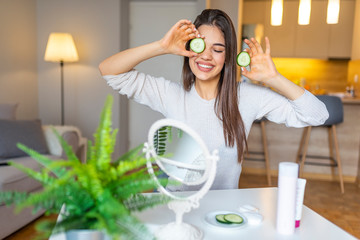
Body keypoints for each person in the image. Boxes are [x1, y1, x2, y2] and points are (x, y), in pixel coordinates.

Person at [99, 9, 328, 190]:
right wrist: (162, 47)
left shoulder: (246, 98)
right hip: (177, 207)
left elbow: (317, 115)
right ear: (189, 48)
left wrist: (273, 78)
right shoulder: (170, 94)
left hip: (222, 209)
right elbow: (109, 70)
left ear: (228, 56)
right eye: (200, 46)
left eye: (218, 49)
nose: (206, 56)